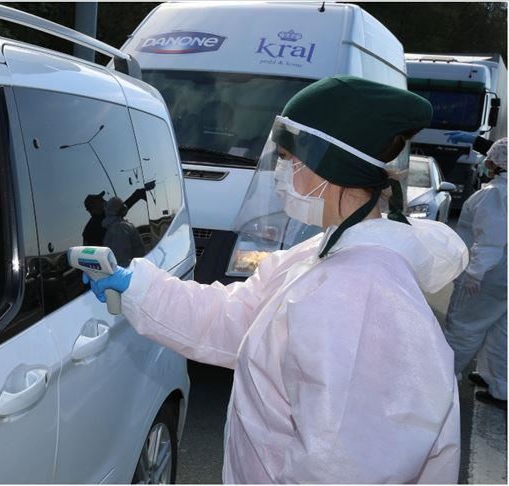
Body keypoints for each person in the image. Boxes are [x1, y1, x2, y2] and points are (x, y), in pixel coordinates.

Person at [84, 76, 469, 483]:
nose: (279, 172)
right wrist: (139, 288)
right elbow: (237, 317)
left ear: (329, 165)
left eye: (288, 158)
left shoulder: (362, 297)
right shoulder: (324, 253)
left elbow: (339, 469)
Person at [443, 138, 507, 409]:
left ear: (496, 163)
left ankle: (441, 385)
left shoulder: (494, 194)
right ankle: (500, 387)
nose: (486, 161)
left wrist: (474, 274)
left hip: (489, 276)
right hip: (503, 278)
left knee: (463, 329)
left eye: (490, 157)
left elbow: (491, 241)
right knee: (500, 332)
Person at [102, 196, 145, 267]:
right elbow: (122, 259)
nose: (124, 208)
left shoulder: (118, 227)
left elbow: (121, 258)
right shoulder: (120, 227)